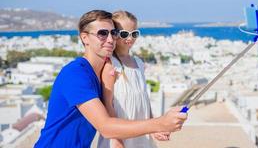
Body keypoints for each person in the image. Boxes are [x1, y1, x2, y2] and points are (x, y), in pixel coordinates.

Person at [34, 10, 187, 148]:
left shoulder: (102, 72)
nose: (110, 39)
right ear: (84, 38)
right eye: (102, 33)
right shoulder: (75, 74)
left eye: (113, 33)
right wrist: (160, 123)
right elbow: (105, 126)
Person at [98, 11, 168, 148]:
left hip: (142, 132)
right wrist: (116, 138)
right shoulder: (110, 64)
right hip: (120, 134)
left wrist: (154, 127)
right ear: (114, 34)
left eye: (134, 33)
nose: (130, 38)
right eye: (124, 34)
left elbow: (144, 99)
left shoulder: (139, 63)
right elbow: (107, 104)